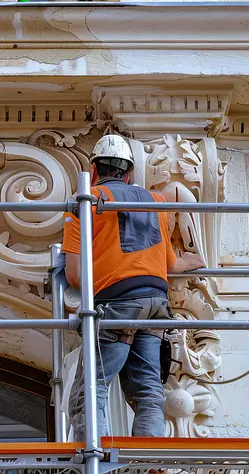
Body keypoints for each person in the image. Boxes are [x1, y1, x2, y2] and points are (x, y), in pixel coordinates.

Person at [61, 134, 205, 440]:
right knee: (149, 390)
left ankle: (96, 457)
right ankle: (149, 459)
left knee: (91, 389)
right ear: (129, 173)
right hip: (156, 305)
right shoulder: (156, 202)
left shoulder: (85, 201)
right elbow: (171, 265)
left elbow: (74, 276)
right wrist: (195, 259)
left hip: (118, 304)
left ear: (94, 170)